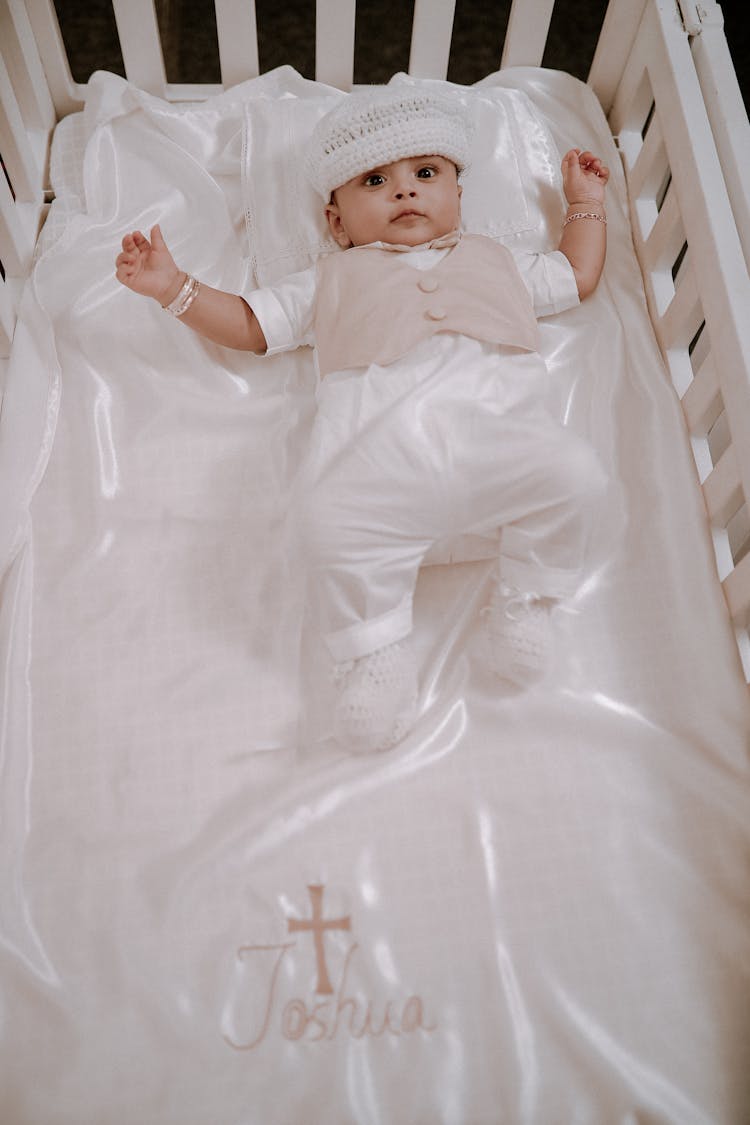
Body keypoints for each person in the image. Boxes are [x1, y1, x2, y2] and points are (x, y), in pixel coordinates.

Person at [115, 87, 610, 755]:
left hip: (502, 447)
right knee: (324, 522)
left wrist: (585, 203)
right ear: (338, 221)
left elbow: (577, 275)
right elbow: (250, 325)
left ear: (460, 196)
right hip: (382, 467)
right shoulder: (327, 279)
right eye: (375, 181)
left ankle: (523, 596)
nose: (404, 192)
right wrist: (174, 287)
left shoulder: (500, 261)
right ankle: (377, 653)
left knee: (578, 477)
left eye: (425, 175)